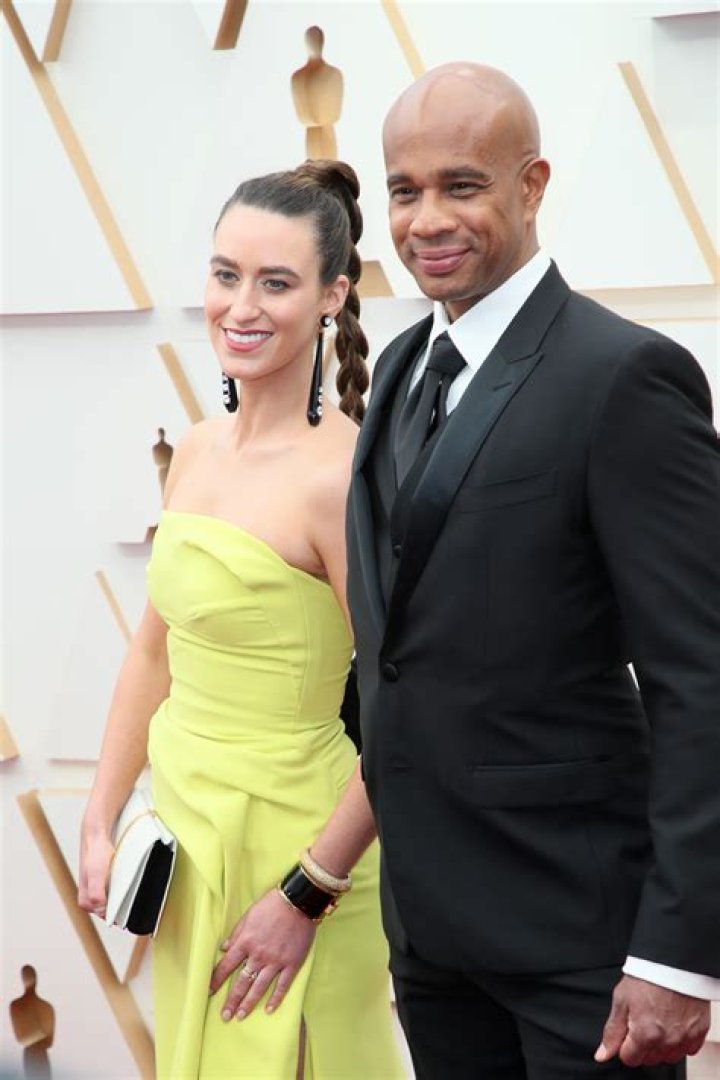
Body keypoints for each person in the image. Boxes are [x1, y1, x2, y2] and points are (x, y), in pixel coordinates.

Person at [344, 63, 720, 1078]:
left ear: (532, 184)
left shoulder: (623, 376)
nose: (427, 219)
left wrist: (677, 953)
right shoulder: (400, 367)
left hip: (582, 941)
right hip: (430, 938)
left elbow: (701, 677)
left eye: (461, 185)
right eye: (405, 190)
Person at [78, 160, 403, 1079]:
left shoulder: (341, 480)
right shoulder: (194, 449)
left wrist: (309, 892)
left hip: (300, 853)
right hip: (187, 840)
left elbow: (406, 711)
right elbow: (155, 649)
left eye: (276, 282)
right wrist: (102, 816)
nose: (241, 307)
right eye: (227, 275)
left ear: (333, 296)